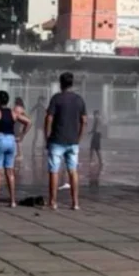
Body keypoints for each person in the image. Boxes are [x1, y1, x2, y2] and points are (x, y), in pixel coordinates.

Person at [45, 72, 87, 210]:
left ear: (60, 83)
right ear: (72, 83)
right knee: (73, 171)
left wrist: (47, 136)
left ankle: (53, 201)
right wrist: (79, 137)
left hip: (57, 140)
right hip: (73, 142)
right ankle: (75, 203)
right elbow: (84, 121)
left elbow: (49, 118)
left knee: (54, 171)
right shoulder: (79, 100)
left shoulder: (56, 99)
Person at [13, 97, 28, 162]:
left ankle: (20, 154)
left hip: (16, 124)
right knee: (17, 140)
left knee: (17, 140)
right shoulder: (22, 108)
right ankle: (18, 154)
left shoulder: (17, 108)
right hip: (18, 124)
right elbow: (25, 116)